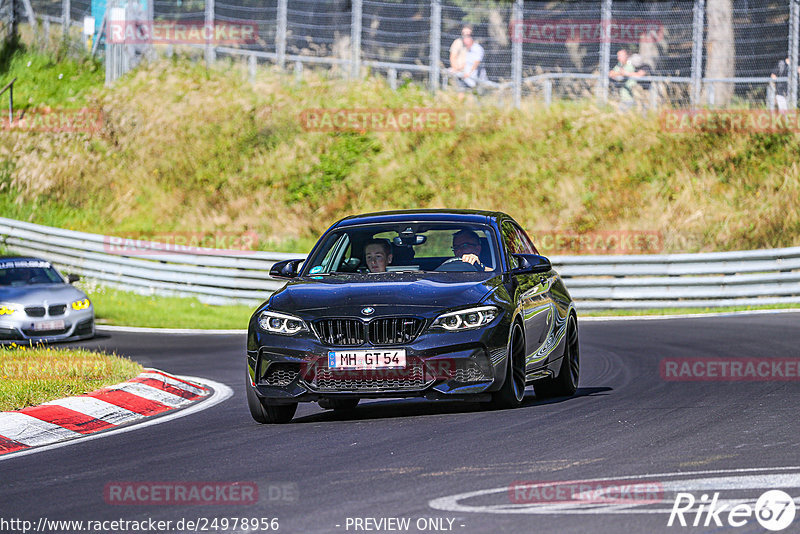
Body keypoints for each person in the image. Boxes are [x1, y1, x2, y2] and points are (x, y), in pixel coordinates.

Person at [450, 27, 484, 97]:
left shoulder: (476, 48)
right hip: (461, 73)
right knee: (461, 91)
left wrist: (469, 73)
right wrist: (456, 68)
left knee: (475, 94)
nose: (466, 37)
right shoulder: (459, 43)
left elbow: (476, 63)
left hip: (472, 75)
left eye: (469, 35)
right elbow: (453, 57)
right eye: (464, 34)